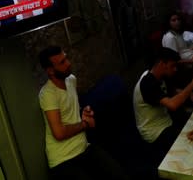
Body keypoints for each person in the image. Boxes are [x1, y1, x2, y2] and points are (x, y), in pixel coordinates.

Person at [38, 45, 128, 180]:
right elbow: (59, 132)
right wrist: (84, 124)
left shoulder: (71, 80)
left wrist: (83, 113)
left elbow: (69, 112)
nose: (68, 63)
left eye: (66, 58)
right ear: (50, 71)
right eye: (62, 62)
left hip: (83, 147)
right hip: (63, 159)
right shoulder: (48, 94)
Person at [133, 47, 193, 167]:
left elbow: (172, 91)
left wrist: (192, 94)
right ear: (162, 64)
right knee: (192, 143)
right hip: (155, 131)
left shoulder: (159, 76)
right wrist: (191, 86)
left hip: (166, 120)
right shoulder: (147, 83)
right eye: (172, 66)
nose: (175, 69)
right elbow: (172, 105)